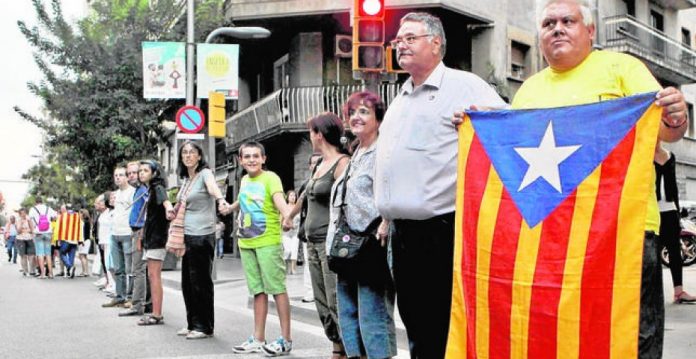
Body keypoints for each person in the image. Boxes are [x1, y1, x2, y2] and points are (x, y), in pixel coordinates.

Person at [502, 1, 689, 357]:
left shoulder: (622, 68)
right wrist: (481, 128)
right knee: (570, 339)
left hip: (626, 232)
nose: (557, 28)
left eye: (568, 21)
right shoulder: (527, 90)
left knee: (633, 339)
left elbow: (667, 130)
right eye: (548, 23)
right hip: (554, 241)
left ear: (590, 31)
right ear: (540, 36)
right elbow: (511, 157)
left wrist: (678, 116)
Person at [375, 12, 506, 358]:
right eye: (397, 40)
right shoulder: (400, 98)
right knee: (416, 324)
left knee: (442, 327)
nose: (400, 45)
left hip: (442, 231)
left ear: (436, 43)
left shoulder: (465, 86)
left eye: (409, 38)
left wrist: (482, 121)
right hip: (402, 235)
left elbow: (508, 131)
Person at [333, 91, 397, 358]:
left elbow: (395, 187)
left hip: (373, 242)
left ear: (379, 119)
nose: (356, 118)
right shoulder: (356, 151)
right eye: (352, 113)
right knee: (348, 311)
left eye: (364, 112)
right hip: (348, 244)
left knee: (373, 313)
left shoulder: (385, 150)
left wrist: (386, 220)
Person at [286, 113, 350, 359]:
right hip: (310, 243)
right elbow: (305, 195)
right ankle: (336, 347)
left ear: (320, 134)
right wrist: (290, 215)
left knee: (335, 299)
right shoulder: (318, 164)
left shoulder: (342, 163)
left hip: (329, 243)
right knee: (321, 302)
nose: (310, 136)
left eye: (311, 132)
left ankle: (348, 349)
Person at [222, 141, 294, 356]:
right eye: (247, 156)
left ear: (264, 159)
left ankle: (286, 340)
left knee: (277, 289)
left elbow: (279, 200)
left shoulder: (271, 178)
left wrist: (287, 216)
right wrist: (230, 208)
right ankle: (258, 338)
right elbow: (242, 201)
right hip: (246, 242)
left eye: (256, 156)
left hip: (268, 242)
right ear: (240, 160)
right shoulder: (244, 180)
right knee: (257, 291)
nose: (252, 159)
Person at [170, 141, 228, 339]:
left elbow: (213, 189)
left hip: (202, 235)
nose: (187, 156)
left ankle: (204, 326)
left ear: (199, 156)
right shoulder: (187, 179)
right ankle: (192, 323)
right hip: (187, 236)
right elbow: (181, 204)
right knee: (187, 282)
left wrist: (220, 200)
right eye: (184, 153)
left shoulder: (205, 174)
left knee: (200, 282)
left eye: (191, 152)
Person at [654, 146, 696, 303]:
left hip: (670, 209)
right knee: (653, 254)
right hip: (653, 210)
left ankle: (679, 292)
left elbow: (674, 186)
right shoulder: (643, 155)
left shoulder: (670, 156)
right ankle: (651, 294)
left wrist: (678, 212)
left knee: (675, 251)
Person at [136, 159, 174, 326]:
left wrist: (168, 208)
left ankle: (157, 314)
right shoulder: (150, 189)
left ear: (154, 172)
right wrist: (142, 238)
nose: (141, 173)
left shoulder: (157, 187)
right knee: (152, 275)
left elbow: (165, 201)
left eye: (145, 170)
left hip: (157, 238)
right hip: (151, 238)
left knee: (154, 275)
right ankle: (155, 312)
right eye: (140, 170)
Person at [120, 160, 151, 317]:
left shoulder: (144, 190)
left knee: (138, 269)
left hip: (139, 232)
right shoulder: (139, 190)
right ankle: (146, 303)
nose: (132, 176)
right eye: (129, 173)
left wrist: (140, 234)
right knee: (141, 270)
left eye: (135, 172)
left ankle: (137, 305)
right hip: (137, 231)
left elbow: (145, 214)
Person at [103, 166, 135, 307]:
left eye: (121, 175)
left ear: (127, 177)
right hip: (115, 234)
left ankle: (131, 297)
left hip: (128, 233)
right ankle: (119, 296)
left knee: (130, 268)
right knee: (118, 268)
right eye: (116, 175)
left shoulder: (133, 192)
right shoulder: (114, 194)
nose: (118, 178)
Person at [29, 196, 57, 278]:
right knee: (48, 254)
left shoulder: (33, 209)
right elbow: (55, 217)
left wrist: (33, 231)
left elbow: (30, 220)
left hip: (38, 233)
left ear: (35, 202)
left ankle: (43, 274)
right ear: (42, 201)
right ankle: (51, 273)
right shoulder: (48, 208)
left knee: (40, 254)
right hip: (48, 232)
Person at [281, 190, 300, 275]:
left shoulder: (298, 207)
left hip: (296, 232)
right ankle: (285, 266)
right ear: (287, 197)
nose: (293, 197)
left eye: (294, 196)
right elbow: (281, 220)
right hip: (286, 233)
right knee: (287, 250)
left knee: (294, 250)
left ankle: (293, 269)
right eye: (291, 196)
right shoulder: (284, 207)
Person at [15, 208, 36, 276]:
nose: (23, 214)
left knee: (31, 255)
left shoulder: (29, 219)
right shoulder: (18, 220)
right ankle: (25, 270)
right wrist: (21, 223)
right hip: (20, 239)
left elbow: (32, 229)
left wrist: (33, 235)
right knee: (23, 256)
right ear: (20, 214)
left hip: (29, 238)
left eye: (24, 213)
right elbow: (18, 231)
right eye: (22, 213)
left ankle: (32, 270)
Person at [76, 209, 92, 277]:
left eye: (79, 213)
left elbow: (82, 233)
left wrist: (81, 241)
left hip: (83, 241)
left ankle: (84, 271)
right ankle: (86, 271)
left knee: (82, 256)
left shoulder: (82, 222)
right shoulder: (88, 221)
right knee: (84, 256)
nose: (78, 215)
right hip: (87, 240)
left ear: (82, 214)